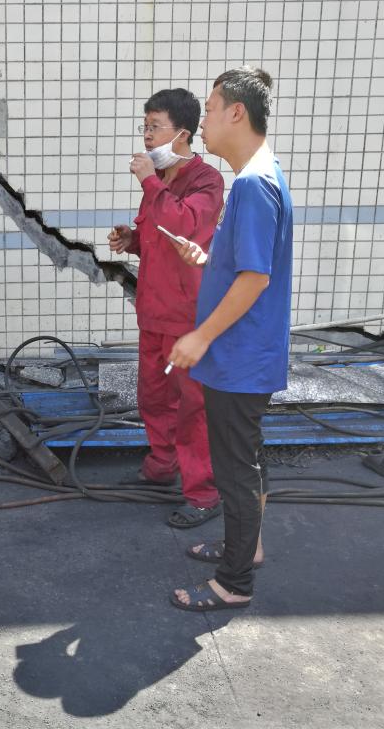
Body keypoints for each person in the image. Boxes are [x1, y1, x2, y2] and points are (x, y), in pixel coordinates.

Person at [166, 66, 293, 611]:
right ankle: (248, 547)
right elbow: (245, 262)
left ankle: (233, 583)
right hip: (245, 352)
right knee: (248, 458)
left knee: (235, 469)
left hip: (239, 355)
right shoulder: (260, 175)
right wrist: (206, 257)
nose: (204, 120)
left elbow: (255, 278)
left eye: (211, 108)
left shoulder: (251, 184)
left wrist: (200, 336)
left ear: (237, 112)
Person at [107, 89, 224, 527]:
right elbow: (160, 235)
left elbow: (186, 225)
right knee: (153, 395)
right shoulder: (161, 181)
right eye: (144, 127)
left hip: (188, 316)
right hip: (154, 311)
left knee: (193, 407)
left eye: (155, 127)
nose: (146, 136)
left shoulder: (207, 181)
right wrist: (133, 240)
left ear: (183, 134)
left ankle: (204, 494)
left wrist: (149, 183)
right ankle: (162, 465)